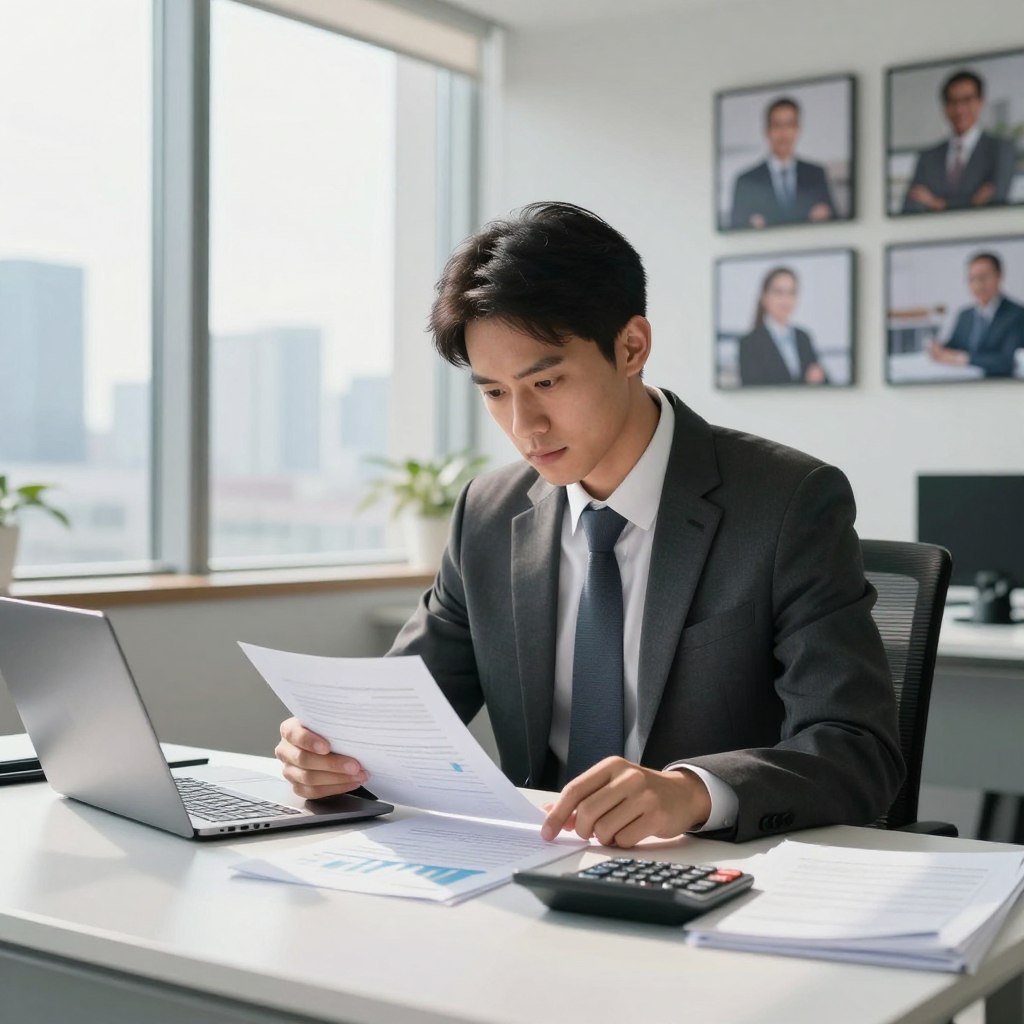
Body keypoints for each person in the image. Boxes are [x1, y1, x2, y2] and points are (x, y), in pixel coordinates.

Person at [276, 203, 903, 846]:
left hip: (716, 876)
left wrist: (692, 793)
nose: (525, 426)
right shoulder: (488, 516)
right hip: (533, 867)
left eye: (546, 381)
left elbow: (858, 748)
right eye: (494, 392)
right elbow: (399, 719)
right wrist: (333, 753)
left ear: (631, 346)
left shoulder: (787, 502)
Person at [901, 70, 1015, 214]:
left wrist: (937, 203)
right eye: (952, 102)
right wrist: (972, 201)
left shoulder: (1001, 149)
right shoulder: (928, 157)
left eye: (967, 100)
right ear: (945, 108)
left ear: (980, 102)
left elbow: (996, 199)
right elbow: (910, 206)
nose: (959, 109)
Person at [729, 97, 838, 230]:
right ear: (767, 131)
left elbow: (836, 220)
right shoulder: (746, 181)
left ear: (797, 129)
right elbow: (734, 227)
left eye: (789, 125)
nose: (784, 133)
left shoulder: (816, 174)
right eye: (777, 125)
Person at [929, 252, 1024, 377]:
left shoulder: (1017, 314)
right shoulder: (965, 315)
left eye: (983, 277)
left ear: (999, 276)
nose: (978, 285)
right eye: (972, 279)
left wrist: (962, 359)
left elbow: (1008, 361)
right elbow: (954, 346)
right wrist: (939, 349)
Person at [737, 267, 829, 386]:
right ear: (765, 297)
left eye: (791, 293)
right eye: (779, 292)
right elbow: (751, 388)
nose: (785, 300)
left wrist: (818, 377)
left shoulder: (803, 337)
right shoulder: (749, 343)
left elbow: (823, 380)